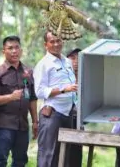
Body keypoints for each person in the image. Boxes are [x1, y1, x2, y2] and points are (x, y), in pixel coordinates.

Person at [0, 36, 38, 167]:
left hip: (22, 125)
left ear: (21, 50)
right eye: (10, 48)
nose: (14, 51)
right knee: (0, 161)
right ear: (3, 51)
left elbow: (32, 98)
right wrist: (10, 97)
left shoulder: (28, 72)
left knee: (20, 161)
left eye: (17, 48)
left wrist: (35, 121)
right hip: (3, 124)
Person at [34, 31, 78, 167]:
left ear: (63, 41)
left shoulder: (67, 62)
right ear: (45, 45)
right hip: (52, 114)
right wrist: (64, 90)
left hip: (68, 113)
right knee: (48, 155)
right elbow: (39, 92)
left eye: (58, 40)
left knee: (64, 155)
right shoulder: (43, 64)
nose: (56, 44)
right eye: (52, 41)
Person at [66, 48, 82, 167]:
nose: (75, 61)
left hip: (78, 121)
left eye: (79, 58)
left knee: (76, 154)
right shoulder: (63, 78)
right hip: (64, 118)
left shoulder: (86, 80)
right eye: (72, 58)